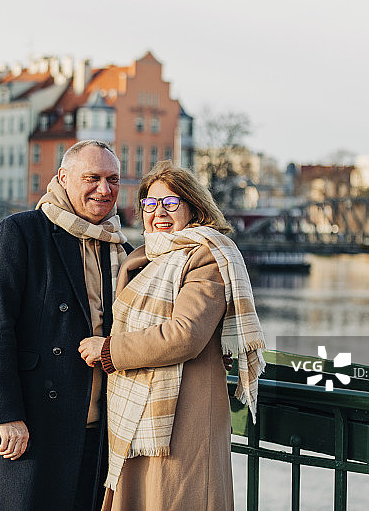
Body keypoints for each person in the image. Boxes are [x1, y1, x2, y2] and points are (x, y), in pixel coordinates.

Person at [78, 160, 266, 510]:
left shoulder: (207, 254)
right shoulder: (145, 258)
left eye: (170, 203)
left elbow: (185, 335)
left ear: (194, 208)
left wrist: (109, 351)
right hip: (139, 414)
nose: (158, 212)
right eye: (150, 204)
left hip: (184, 418)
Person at [0, 140, 134, 510]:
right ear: (63, 178)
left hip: (98, 428)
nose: (104, 189)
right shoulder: (24, 232)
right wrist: (7, 414)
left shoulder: (121, 251)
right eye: (92, 178)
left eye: (113, 179)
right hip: (33, 422)